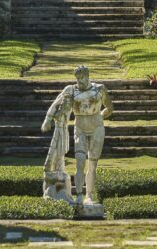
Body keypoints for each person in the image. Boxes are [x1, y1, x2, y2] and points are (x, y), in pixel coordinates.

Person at [42, 65, 112, 204]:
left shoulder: (99, 89)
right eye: (77, 78)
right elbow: (57, 103)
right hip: (80, 126)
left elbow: (109, 107)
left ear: (87, 75)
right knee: (79, 162)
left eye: (82, 77)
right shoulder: (71, 90)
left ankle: (89, 196)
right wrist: (48, 119)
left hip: (97, 127)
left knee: (92, 164)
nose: (79, 81)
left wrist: (99, 117)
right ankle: (79, 194)